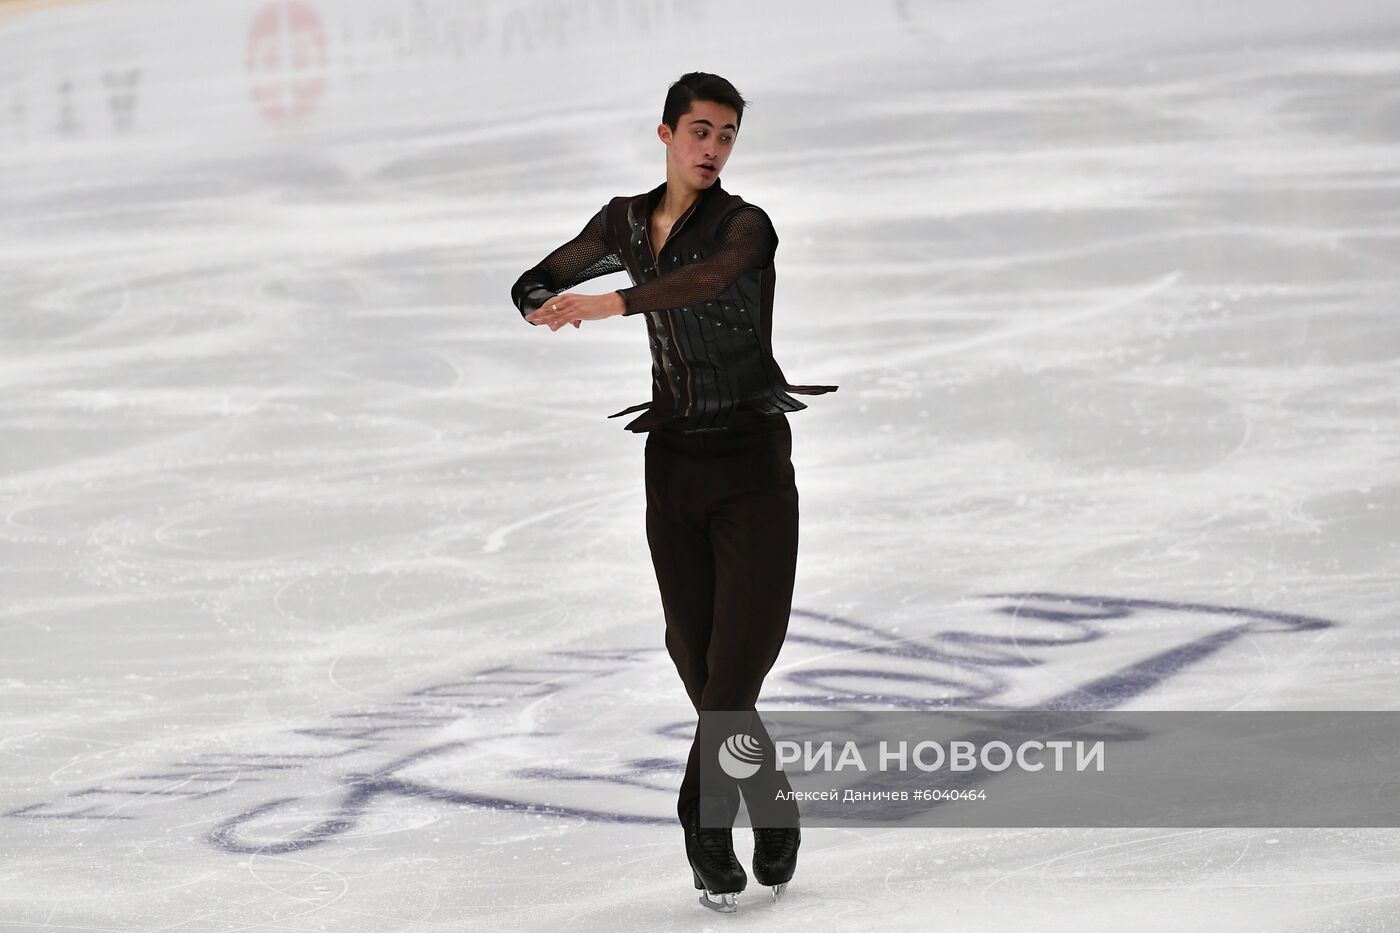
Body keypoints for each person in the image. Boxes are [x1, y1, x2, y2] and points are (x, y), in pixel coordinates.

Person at [509, 71, 836, 912]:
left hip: (753, 466)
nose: (713, 148)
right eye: (699, 131)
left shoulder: (744, 226)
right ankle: (772, 799)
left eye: (726, 134)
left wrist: (610, 300)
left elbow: (706, 281)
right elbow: (538, 279)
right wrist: (545, 303)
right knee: (698, 664)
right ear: (665, 134)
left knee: (735, 670)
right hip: (674, 465)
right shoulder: (624, 219)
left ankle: (702, 816)